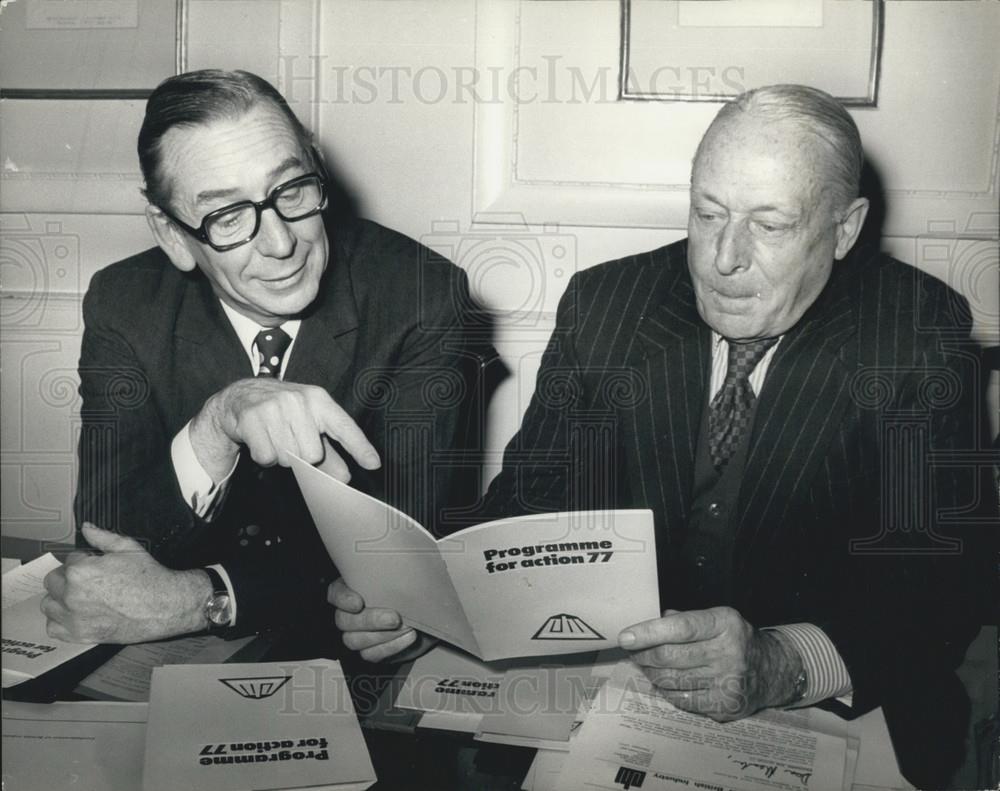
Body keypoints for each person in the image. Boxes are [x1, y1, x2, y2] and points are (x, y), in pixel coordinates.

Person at [331, 85, 992, 786]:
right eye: (708, 213)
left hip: (829, 710)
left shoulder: (919, 337)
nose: (723, 258)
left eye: (769, 225)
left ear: (845, 228)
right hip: (607, 696)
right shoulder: (607, 306)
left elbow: (947, 579)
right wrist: (430, 600)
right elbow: (529, 505)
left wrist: (785, 661)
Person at [41, 69, 479, 655]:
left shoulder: (423, 296)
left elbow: (404, 570)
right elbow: (107, 536)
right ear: (171, 234)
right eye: (227, 217)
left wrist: (201, 599)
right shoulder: (125, 302)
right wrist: (214, 425)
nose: (279, 242)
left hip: (337, 660)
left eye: (291, 189)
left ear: (316, 168)